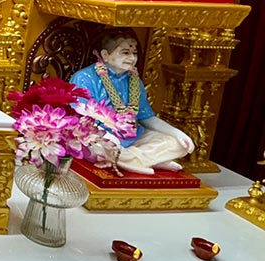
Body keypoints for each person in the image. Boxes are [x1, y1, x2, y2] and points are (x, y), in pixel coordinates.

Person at [70, 27, 193, 175]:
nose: (132, 58)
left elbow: (146, 117)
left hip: (133, 137)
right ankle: (149, 160)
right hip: (101, 136)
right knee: (97, 146)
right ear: (105, 55)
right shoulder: (84, 78)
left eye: (134, 53)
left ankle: (130, 161)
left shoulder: (134, 81)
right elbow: (81, 119)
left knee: (178, 144)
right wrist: (106, 136)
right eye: (125, 53)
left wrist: (176, 133)